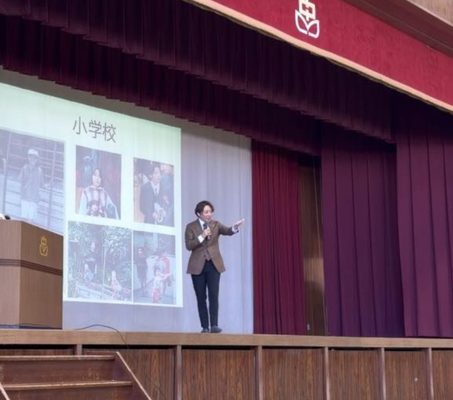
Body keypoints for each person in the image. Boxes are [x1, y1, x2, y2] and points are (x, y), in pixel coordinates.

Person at [185, 200, 244, 333]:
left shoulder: (215, 224)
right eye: (206, 212)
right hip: (197, 266)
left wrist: (234, 227)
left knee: (213, 295)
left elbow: (227, 231)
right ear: (198, 213)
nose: (209, 214)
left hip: (213, 264)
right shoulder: (191, 227)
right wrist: (202, 236)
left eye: (210, 212)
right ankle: (205, 327)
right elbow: (189, 245)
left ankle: (214, 325)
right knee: (201, 297)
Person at [18, 148, 45, 223]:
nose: (32, 159)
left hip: (34, 199)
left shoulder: (39, 171)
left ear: (37, 159)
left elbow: (42, 185)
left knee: (30, 221)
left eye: (34, 157)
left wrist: (49, 185)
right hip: (25, 197)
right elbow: (20, 181)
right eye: (30, 157)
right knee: (24, 219)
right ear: (28, 158)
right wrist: (21, 197)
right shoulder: (24, 168)